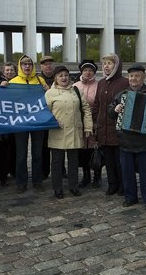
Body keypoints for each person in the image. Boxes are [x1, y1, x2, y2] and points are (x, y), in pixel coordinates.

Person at [108, 64, 146, 211]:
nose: (134, 79)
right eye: (131, 76)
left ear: (144, 77)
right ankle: (130, 197)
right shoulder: (122, 94)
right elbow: (110, 112)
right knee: (127, 173)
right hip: (126, 141)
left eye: (137, 76)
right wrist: (115, 109)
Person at [45, 66, 92, 198]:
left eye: (66, 75)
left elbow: (86, 109)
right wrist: (52, 122)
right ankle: (57, 188)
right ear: (55, 78)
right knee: (57, 162)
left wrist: (88, 127)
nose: (64, 78)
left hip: (74, 130)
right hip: (58, 131)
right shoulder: (50, 93)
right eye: (60, 76)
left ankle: (73, 186)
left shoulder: (76, 90)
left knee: (73, 161)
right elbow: (45, 113)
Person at [7, 54, 49, 193]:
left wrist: (47, 90)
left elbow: (49, 96)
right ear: (20, 66)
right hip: (21, 123)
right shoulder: (13, 82)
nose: (27, 66)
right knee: (21, 155)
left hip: (38, 121)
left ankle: (37, 181)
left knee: (37, 153)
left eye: (29, 64)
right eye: (24, 64)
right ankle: (21, 182)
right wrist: (3, 87)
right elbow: (7, 101)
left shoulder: (40, 80)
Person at [94, 54, 129, 196]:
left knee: (120, 161)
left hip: (118, 128)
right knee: (108, 160)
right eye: (104, 64)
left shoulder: (124, 82)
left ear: (116, 66)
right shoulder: (101, 83)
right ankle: (112, 184)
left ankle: (122, 185)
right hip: (103, 128)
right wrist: (95, 123)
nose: (106, 66)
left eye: (109, 63)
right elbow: (97, 104)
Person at [73, 59, 100, 188]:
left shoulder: (99, 85)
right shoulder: (75, 86)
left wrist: (96, 121)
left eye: (90, 70)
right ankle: (86, 175)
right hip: (80, 122)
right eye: (85, 70)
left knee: (95, 150)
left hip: (95, 121)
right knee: (83, 151)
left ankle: (97, 176)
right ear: (81, 71)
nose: (88, 72)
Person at [38, 55, 57, 181]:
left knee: (58, 146)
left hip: (57, 116)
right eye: (45, 64)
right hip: (43, 117)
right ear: (41, 66)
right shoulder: (37, 80)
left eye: (50, 63)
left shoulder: (58, 77)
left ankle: (61, 169)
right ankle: (44, 171)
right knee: (43, 147)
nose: (48, 66)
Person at [1, 62, 17, 178]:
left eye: (11, 70)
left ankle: (14, 170)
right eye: (7, 70)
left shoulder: (19, 83)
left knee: (15, 147)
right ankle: (5, 170)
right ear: (3, 72)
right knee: (4, 147)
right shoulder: (0, 83)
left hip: (16, 120)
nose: (9, 72)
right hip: (4, 119)